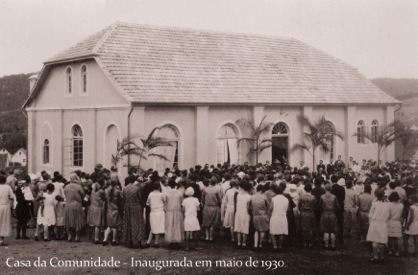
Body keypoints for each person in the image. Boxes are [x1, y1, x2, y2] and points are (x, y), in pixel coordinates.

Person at [122, 175, 146, 248]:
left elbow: (124, 198)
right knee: (137, 224)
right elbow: (140, 198)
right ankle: (137, 241)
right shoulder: (136, 188)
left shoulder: (125, 188)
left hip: (127, 207)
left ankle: (129, 240)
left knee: (128, 223)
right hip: (136, 207)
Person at [367, 189, 390, 262]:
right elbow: (389, 215)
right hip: (383, 223)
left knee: (375, 240)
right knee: (382, 241)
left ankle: (376, 256)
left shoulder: (374, 204)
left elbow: (370, 214)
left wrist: (370, 221)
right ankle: (382, 257)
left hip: (375, 223)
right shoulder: (387, 204)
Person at [64, 173, 85, 242]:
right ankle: (77, 236)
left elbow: (65, 195)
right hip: (77, 204)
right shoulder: (79, 187)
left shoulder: (66, 186)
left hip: (68, 204)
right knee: (77, 220)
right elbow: (83, 195)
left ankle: (69, 236)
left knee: (69, 219)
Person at [164, 178, 184, 249]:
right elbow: (182, 202)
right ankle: (177, 240)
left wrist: (165, 209)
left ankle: (171, 241)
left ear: (169, 185)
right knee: (177, 225)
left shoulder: (166, 193)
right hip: (177, 210)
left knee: (170, 225)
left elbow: (165, 202)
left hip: (169, 210)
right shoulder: (179, 193)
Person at [201, 176, 222, 242]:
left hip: (207, 207)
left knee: (207, 222)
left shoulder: (205, 189)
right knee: (213, 223)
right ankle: (211, 237)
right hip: (214, 207)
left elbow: (202, 199)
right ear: (215, 182)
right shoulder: (217, 190)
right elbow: (220, 200)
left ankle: (207, 237)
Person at [146, 181, 166, 247]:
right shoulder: (161, 194)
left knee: (153, 226)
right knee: (158, 226)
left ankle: (148, 241)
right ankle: (156, 242)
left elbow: (147, 203)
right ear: (159, 187)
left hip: (153, 212)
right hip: (160, 212)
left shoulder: (150, 194)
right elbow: (165, 201)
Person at [250, 184, 270, 249]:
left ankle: (255, 245)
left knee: (256, 230)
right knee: (262, 230)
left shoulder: (252, 197)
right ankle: (260, 244)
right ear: (262, 190)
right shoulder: (264, 197)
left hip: (255, 215)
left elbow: (250, 207)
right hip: (263, 215)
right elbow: (269, 206)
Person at [320, 182, 339, 250]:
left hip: (325, 214)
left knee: (326, 230)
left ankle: (326, 245)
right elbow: (337, 206)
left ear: (325, 188)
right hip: (332, 214)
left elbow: (320, 206)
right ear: (331, 189)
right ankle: (333, 246)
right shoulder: (334, 197)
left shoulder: (322, 197)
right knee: (333, 230)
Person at [269, 185, 289, 251]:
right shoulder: (286, 199)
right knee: (282, 232)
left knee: (273, 231)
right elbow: (288, 209)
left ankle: (275, 246)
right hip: (283, 216)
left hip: (275, 216)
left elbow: (270, 209)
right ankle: (280, 246)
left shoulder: (273, 199)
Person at [233, 180, 252, 248]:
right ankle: (244, 243)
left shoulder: (238, 195)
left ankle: (239, 242)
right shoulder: (249, 197)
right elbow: (248, 207)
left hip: (238, 212)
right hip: (245, 213)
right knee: (245, 228)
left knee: (238, 228)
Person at [103, 179, 122, 246]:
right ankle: (114, 240)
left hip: (109, 209)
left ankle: (105, 239)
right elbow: (121, 200)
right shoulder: (118, 192)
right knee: (115, 226)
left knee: (108, 226)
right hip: (116, 210)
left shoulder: (106, 191)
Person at [87, 177, 106, 244]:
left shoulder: (93, 190)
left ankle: (91, 237)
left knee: (92, 223)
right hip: (98, 208)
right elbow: (105, 198)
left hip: (92, 207)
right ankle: (96, 238)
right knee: (97, 224)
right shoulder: (101, 191)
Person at [298, 183, 316, 248]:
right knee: (310, 229)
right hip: (311, 213)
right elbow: (315, 205)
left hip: (303, 213)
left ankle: (304, 242)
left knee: (304, 229)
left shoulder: (302, 196)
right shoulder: (313, 197)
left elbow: (299, 205)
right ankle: (310, 243)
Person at [387, 192, 404, 257]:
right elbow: (402, 214)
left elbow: (388, 215)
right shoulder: (401, 205)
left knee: (390, 238)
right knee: (396, 238)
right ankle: (397, 251)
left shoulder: (388, 205)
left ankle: (390, 250)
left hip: (390, 221)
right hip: (397, 222)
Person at [0, 174, 14, 246]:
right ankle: (1, 240)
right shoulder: (7, 187)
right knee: (4, 222)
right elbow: (12, 197)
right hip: (5, 206)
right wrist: (11, 206)